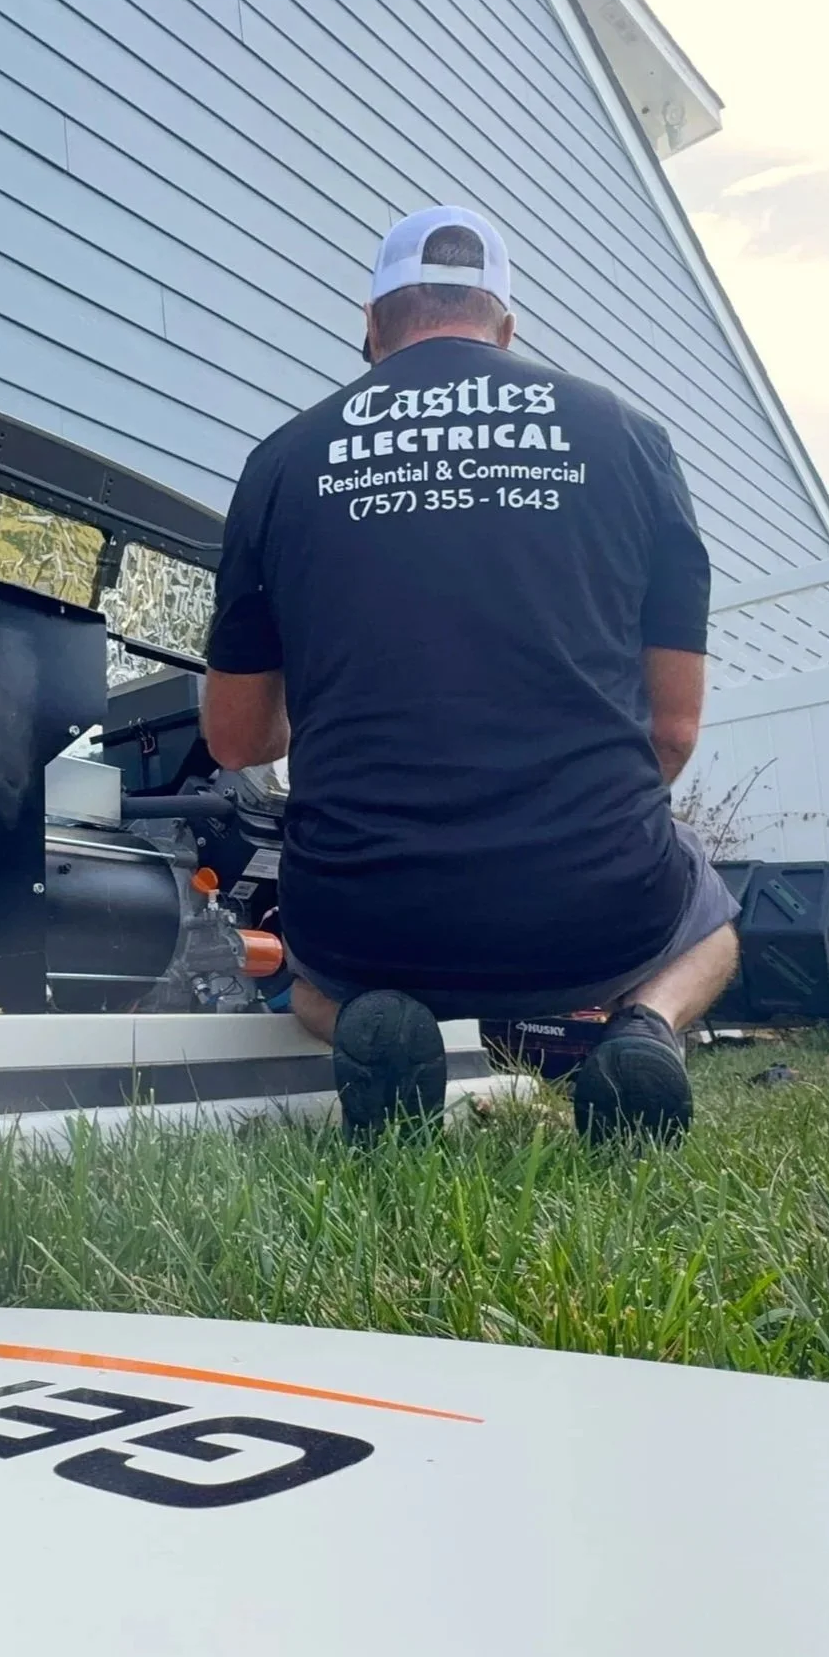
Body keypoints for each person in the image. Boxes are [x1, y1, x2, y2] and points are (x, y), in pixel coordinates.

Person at [201, 204, 740, 1143]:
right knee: (712, 918)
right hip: (596, 906)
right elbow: (674, 729)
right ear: (504, 325)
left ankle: (381, 1028)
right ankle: (643, 1030)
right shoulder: (627, 437)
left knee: (308, 976)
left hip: (370, 914)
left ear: (371, 327)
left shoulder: (281, 463)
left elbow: (239, 739)